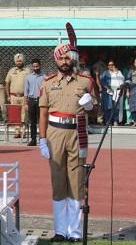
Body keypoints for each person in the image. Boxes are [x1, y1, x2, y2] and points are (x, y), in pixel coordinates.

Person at [39, 38, 97, 243]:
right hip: (55, 133)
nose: (64, 61)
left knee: (77, 182)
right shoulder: (48, 82)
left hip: (78, 132)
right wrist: (42, 139)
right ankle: (60, 230)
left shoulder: (86, 81)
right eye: (60, 57)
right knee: (58, 181)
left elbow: (96, 113)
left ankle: (74, 231)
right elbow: (43, 113)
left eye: (67, 57)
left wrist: (90, 106)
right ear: (56, 60)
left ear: (72, 59)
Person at [6, 53, 30, 138]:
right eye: (17, 61)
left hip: (24, 96)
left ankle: (23, 131)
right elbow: (7, 83)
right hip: (13, 96)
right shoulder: (11, 71)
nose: (19, 62)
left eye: (20, 61)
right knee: (15, 114)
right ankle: (17, 132)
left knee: (24, 114)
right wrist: (8, 95)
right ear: (15, 62)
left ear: (23, 61)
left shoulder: (27, 71)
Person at [24, 58, 46, 146]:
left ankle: (42, 139)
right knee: (32, 121)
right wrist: (26, 103)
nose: (36, 68)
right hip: (32, 100)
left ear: (40, 66)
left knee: (42, 121)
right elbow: (26, 91)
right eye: (34, 66)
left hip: (41, 100)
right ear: (32, 67)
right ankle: (33, 139)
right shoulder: (28, 77)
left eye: (37, 66)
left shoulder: (45, 77)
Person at [100, 59, 125, 125]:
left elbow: (122, 80)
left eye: (112, 65)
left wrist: (115, 72)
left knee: (116, 106)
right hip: (108, 92)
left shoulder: (118, 72)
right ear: (107, 66)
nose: (111, 66)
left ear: (114, 65)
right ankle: (108, 121)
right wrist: (107, 88)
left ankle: (115, 120)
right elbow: (102, 82)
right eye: (109, 65)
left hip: (116, 92)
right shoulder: (105, 72)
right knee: (108, 107)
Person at [126, 59, 136, 126]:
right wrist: (127, 91)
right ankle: (135, 121)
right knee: (133, 107)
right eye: (135, 62)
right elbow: (127, 82)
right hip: (133, 90)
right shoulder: (131, 71)